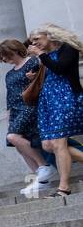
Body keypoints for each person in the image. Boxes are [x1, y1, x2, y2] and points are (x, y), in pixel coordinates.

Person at [26, 24, 83, 198]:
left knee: (59, 144)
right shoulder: (44, 56)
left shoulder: (68, 48)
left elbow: (61, 68)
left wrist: (40, 55)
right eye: (32, 41)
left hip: (65, 98)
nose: (34, 43)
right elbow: (45, 69)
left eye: (37, 39)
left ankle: (63, 188)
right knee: (48, 145)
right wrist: (33, 73)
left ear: (49, 35)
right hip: (48, 103)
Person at [0, 39, 54, 191]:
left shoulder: (33, 62)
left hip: (30, 106)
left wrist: (33, 78)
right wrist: (9, 113)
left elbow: (46, 78)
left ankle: (44, 166)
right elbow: (9, 94)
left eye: (4, 55)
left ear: (13, 50)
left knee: (12, 137)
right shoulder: (9, 74)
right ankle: (41, 181)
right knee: (16, 144)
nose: (3, 59)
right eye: (1, 57)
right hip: (15, 110)